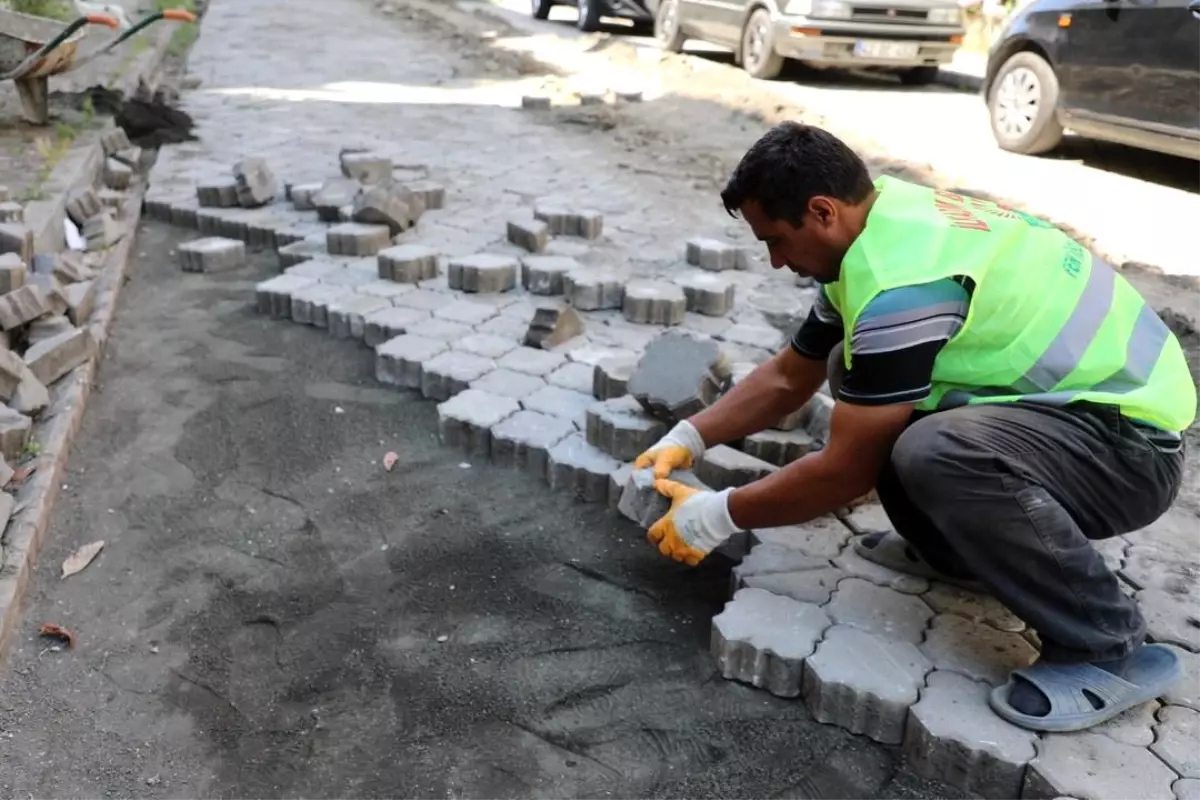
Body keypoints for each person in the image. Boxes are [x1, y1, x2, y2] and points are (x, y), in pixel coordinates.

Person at [635, 121, 1195, 733]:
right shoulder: (881, 226)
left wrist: (720, 513)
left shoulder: (903, 289)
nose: (775, 261)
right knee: (850, 367)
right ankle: (958, 553)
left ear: (821, 211)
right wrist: (686, 436)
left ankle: (1106, 646)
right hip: (1069, 413)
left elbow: (845, 474)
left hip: (1129, 447)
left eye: (775, 239)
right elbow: (787, 378)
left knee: (937, 451)